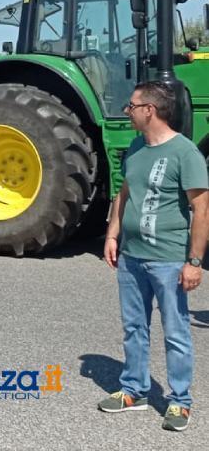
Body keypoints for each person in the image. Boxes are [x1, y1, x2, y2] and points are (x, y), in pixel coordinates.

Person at [97, 82, 207, 432]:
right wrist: (112, 234)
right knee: (133, 327)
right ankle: (134, 390)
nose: (126, 111)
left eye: (131, 106)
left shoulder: (185, 152)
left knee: (175, 331)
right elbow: (124, 193)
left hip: (168, 259)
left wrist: (194, 262)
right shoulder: (135, 147)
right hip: (132, 256)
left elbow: (201, 210)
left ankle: (180, 401)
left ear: (150, 110)